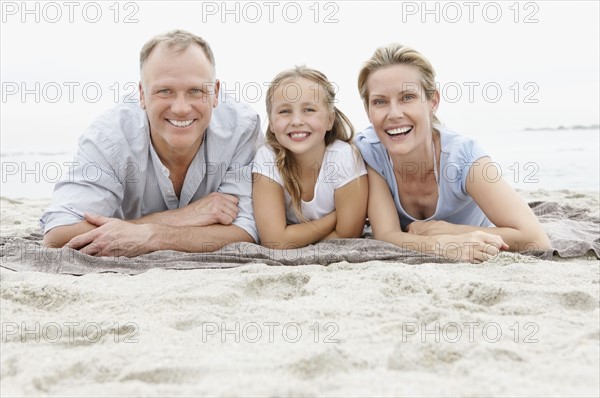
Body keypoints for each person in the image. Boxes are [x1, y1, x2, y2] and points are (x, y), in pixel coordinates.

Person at [40, 30, 261, 257]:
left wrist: (153, 235)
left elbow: (245, 230)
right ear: (142, 95)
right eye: (164, 91)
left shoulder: (241, 128)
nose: (181, 108)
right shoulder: (109, 137)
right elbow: (59, 234)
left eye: (195, 91)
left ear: (215, 93)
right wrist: (178, 218)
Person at [355, 43, 551, 263]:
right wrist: (442, 245)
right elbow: (386, 235)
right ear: (368, 111)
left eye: (407, 97)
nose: (394, 113)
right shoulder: (370, 151)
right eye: (380, 102)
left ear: (433, 101)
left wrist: (449, 230)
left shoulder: (464, 156)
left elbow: (536, 239)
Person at [252, 66, 368, 249]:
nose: (297, 121)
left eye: (309, 110)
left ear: (330, 119)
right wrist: (335, 218)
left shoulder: (344, 157)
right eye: (284, 111)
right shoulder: (267, 158)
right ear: (272, 123)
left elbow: (348, 235)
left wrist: (291, 237)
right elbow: (274, 241)